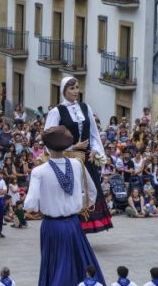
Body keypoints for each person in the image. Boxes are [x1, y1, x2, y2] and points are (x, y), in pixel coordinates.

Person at [24, 126, 106, 286]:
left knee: (56, 264)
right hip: (74, 223)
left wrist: (40, 206)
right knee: (79, 262)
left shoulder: (39, 171)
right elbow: (92, 191)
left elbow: (29, 204)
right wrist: (82, 204)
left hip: (52, 225)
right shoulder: (77, 164)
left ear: (47, 148)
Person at [44, 76, 112, 233]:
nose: (75, 91)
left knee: (90, 192)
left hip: (86, 159)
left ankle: (83, 228)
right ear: (64, 90)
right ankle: (71, 227)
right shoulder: (56, 111)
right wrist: (73, 146)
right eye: (71, 88)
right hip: (68, 160)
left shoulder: (85, 107)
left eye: (77, 88)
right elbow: (49, 140)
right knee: (72, 193)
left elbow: (94, 134)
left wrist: (95, 150)